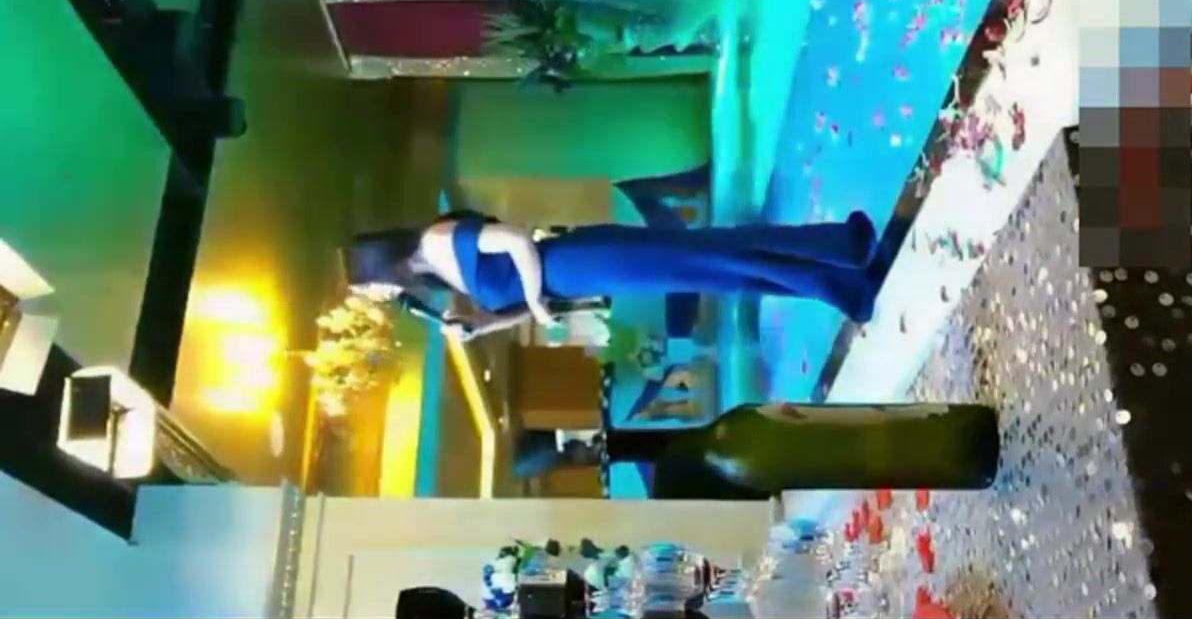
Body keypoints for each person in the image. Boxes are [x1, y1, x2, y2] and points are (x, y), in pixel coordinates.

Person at [343, 209, 881, 342]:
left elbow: (516, 240)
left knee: (713, 260)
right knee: (717, 267)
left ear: (379, 265)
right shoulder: (440, 276)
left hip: (579, 259)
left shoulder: (438, 241)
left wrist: (535, 304)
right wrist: (482, 326)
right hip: (574, 278)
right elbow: (520, 304)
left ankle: (840, 276)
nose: (381, 294)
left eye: (371, 286)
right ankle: (838, 252)